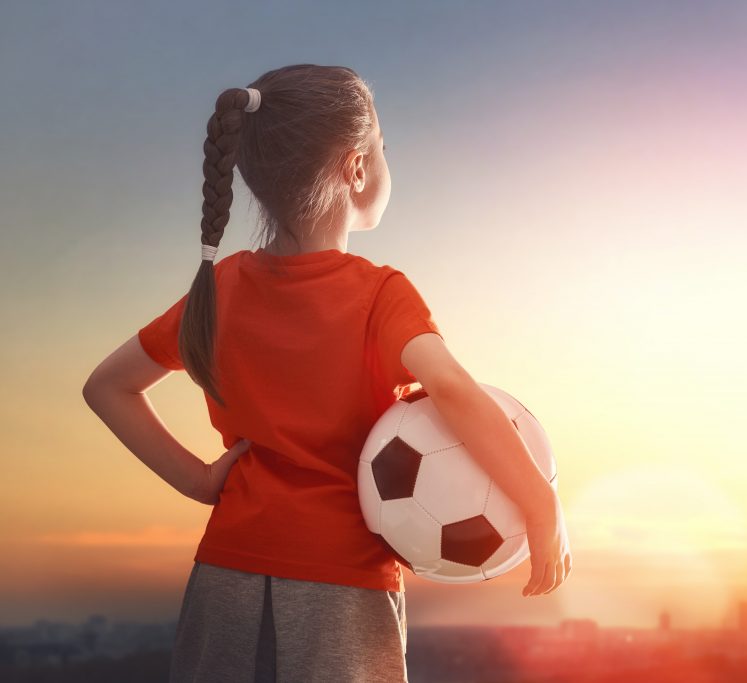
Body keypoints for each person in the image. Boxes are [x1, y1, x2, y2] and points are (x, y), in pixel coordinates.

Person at [80, 63, 572, 682]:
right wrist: (541, 504)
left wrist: (199, 482)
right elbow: (449, 388)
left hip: (224, 574)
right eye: (383, 149)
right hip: (340, 586)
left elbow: (107, 387)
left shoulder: (223, 285)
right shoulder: (380, 295)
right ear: (356, 168)